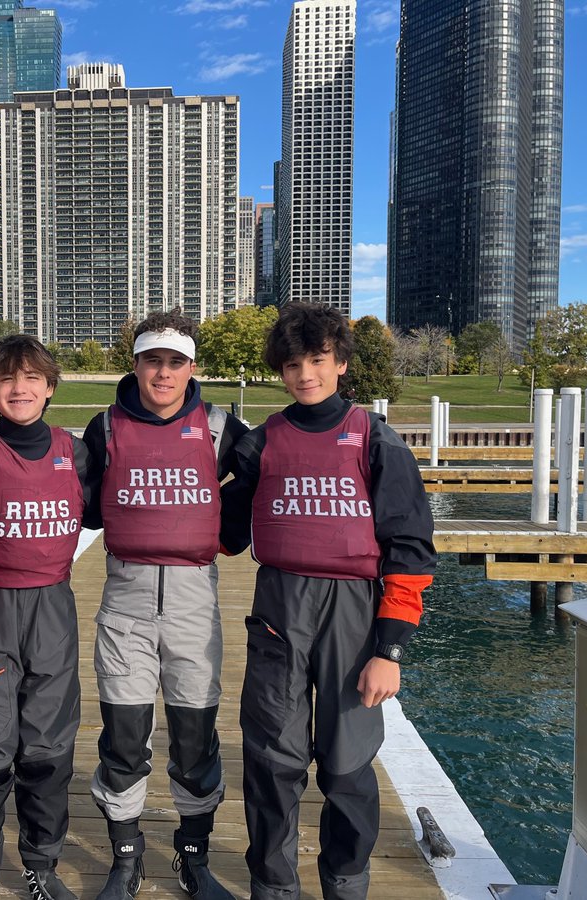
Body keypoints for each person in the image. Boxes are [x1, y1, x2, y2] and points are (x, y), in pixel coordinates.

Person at [220, 303, 436, 900]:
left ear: (340, 363)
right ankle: (273, 887)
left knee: (347, 764)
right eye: (292, 365)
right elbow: (222, 529)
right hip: (279, 606)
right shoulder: (261, 443)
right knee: (273, 759)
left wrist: (389, 650)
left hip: (353, 612)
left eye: (317, 360)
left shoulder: (376, 440)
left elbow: (410, 550)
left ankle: (345, 884)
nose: (305, 374)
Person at [81, 310, 248, 900]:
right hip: (124, 599)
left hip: (193, 601)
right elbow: (80, 501)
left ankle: (193, 856)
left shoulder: (220, 427)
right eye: (152, 360)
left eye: (176, 362)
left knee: (194, 741)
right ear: (135, 364)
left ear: (191, 368)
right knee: (124, 740)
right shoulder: (106, 426)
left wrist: (228, 532)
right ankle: (126, 859)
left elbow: (268, 476)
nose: (163, 373)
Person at [0, 335, 95, 900]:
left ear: (50, 387)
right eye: (7, 379)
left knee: (48, 753)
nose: (19, 389)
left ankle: (41, 864)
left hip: (52, 611)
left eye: (32, 377)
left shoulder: (75, 452)